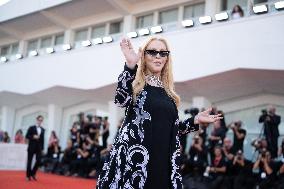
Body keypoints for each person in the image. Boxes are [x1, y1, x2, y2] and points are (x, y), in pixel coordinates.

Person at [96, 37, 223, 189]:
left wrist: (194, 121)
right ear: (144, 56)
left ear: (167, 59)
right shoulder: (136, 87)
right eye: (152, 52)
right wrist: (130, 65)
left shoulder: (169, 94)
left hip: (163, 163)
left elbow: (171, 129)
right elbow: (120, 100)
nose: (158, 56)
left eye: (163, 53)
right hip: (136, 163)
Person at [25, 115, 45, 181]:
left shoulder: (43, 129)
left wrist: (42, 149)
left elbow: (42, 140)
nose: (40, 121)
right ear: (36, 120)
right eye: (39, 120)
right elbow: (27, 136)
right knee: (29, 162)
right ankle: (28, 176)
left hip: (38, 148)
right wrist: (33, 136)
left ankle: (33, 173)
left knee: (39, 160)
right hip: (31, 147)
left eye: (41, 120)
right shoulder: (31, 127)